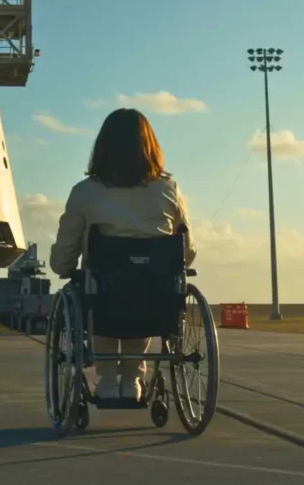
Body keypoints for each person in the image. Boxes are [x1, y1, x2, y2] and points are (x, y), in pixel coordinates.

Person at [49, 108, 197, 401]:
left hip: (104, 298)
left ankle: (106, 380)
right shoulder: (169, 191)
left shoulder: (84, 193)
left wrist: (65, 267)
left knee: (97, 288)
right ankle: (133, 380)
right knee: (144, 288)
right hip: (154, 297)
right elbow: (186, 253)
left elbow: (61, 261)